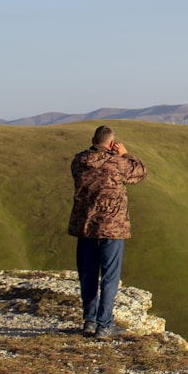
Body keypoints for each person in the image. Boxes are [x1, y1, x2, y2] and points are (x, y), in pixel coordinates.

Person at [68, 125, 147, 338]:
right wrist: (125, 154)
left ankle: (89, 322)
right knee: (109, 277)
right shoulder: (117, 163)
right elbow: (140, 172)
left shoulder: (78, 162)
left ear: (93, 140)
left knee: (88, 275)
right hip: (112, 227)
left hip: (85, 226)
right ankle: (105, 325)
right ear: (111, 144)